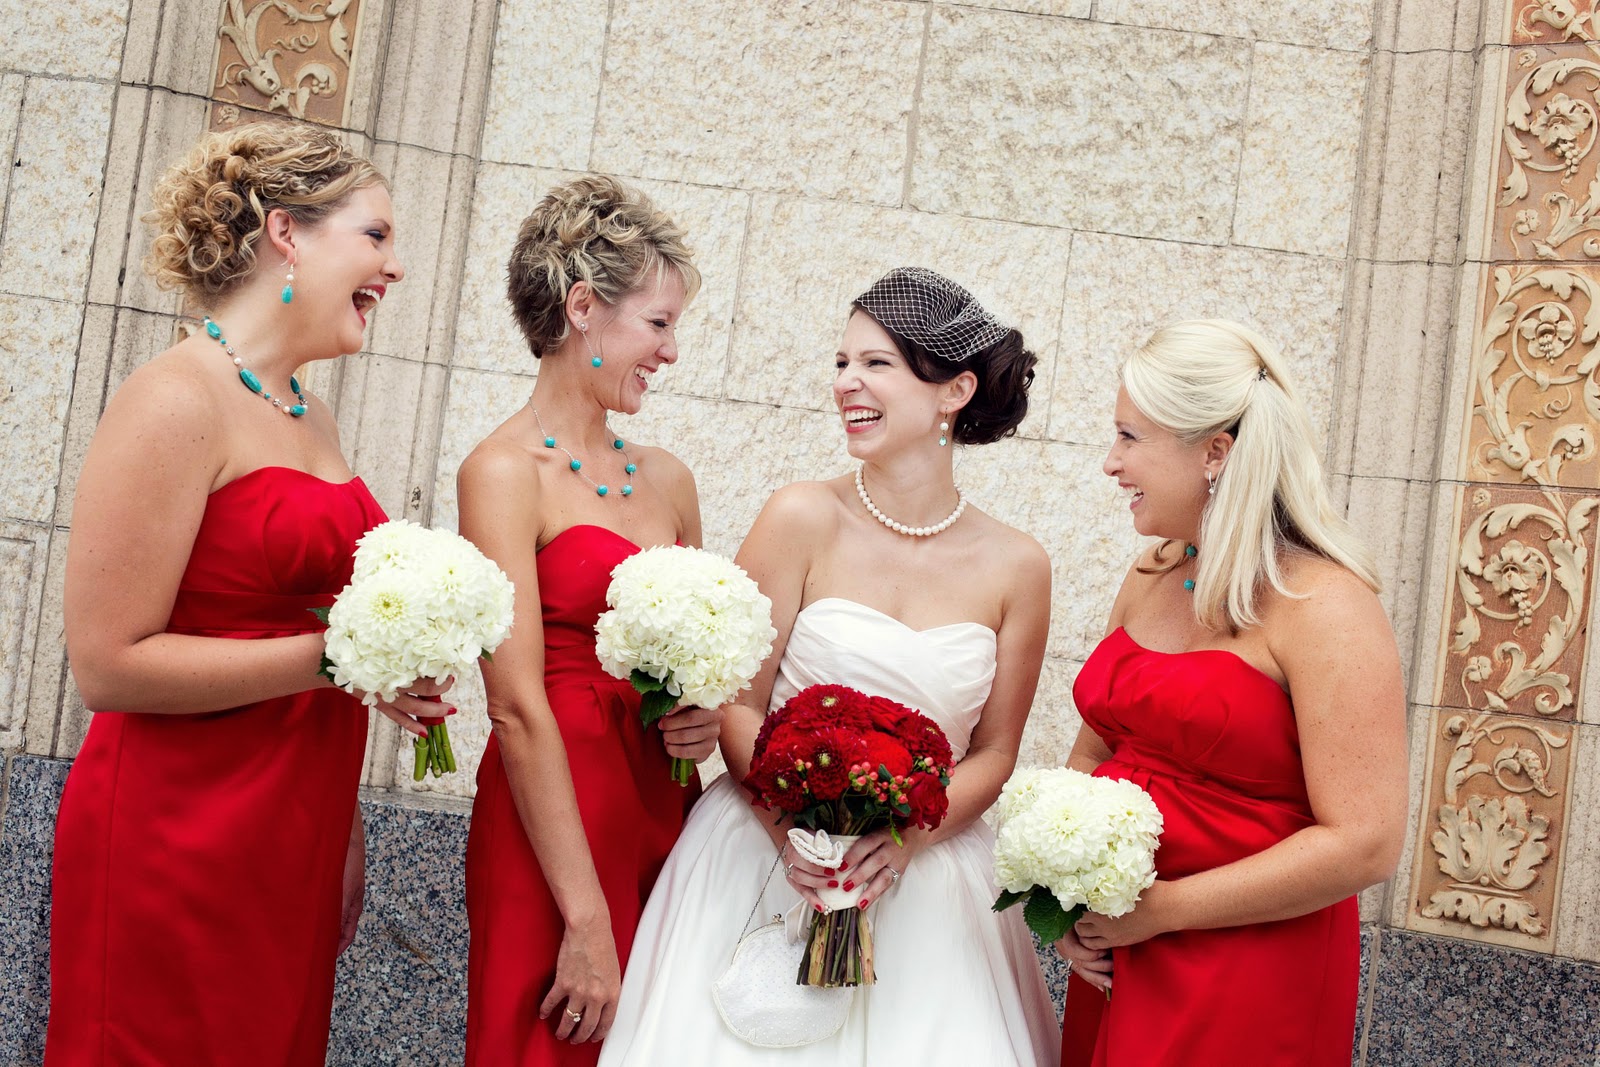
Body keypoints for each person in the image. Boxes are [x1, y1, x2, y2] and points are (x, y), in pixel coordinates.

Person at [45, 123, 446, 1066]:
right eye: (376, 237)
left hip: (288, 837)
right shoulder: (175, 398)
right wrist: (345, 656)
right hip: (175, 835)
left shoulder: (310, 411)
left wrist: (342, 829)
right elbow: (107, 663)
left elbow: (304, 627)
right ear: (286, 233)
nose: (394, 269)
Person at [599, 266, 1061, 1066]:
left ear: (953, 391)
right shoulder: (800, 516)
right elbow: (738, 705)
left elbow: (995, 750)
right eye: (842, 362)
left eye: (876, 363)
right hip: (762, 849)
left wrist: (905, 841)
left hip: (926, 883)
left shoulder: (1019, 565)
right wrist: (796, 840)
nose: (847, 382)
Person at [1056, 320, 1407, 1065]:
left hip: (1248, 966)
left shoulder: (1325, 604)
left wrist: (1165, 911)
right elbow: (1090, 756)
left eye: (1128, 437)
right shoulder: (1153, 572)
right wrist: (1065, 902)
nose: (1110, 464)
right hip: (1118, 951)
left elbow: (1367, 841)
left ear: (1215, 451)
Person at [457, 174, 723, 1066]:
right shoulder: (501, 473)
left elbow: (705, 671)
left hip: (662, 803)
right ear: (582, 307)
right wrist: (584, 913)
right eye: (658, 324)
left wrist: (702, 719)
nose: (672, 351)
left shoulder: (670, 478)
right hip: (555, 819)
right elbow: (514, 703)